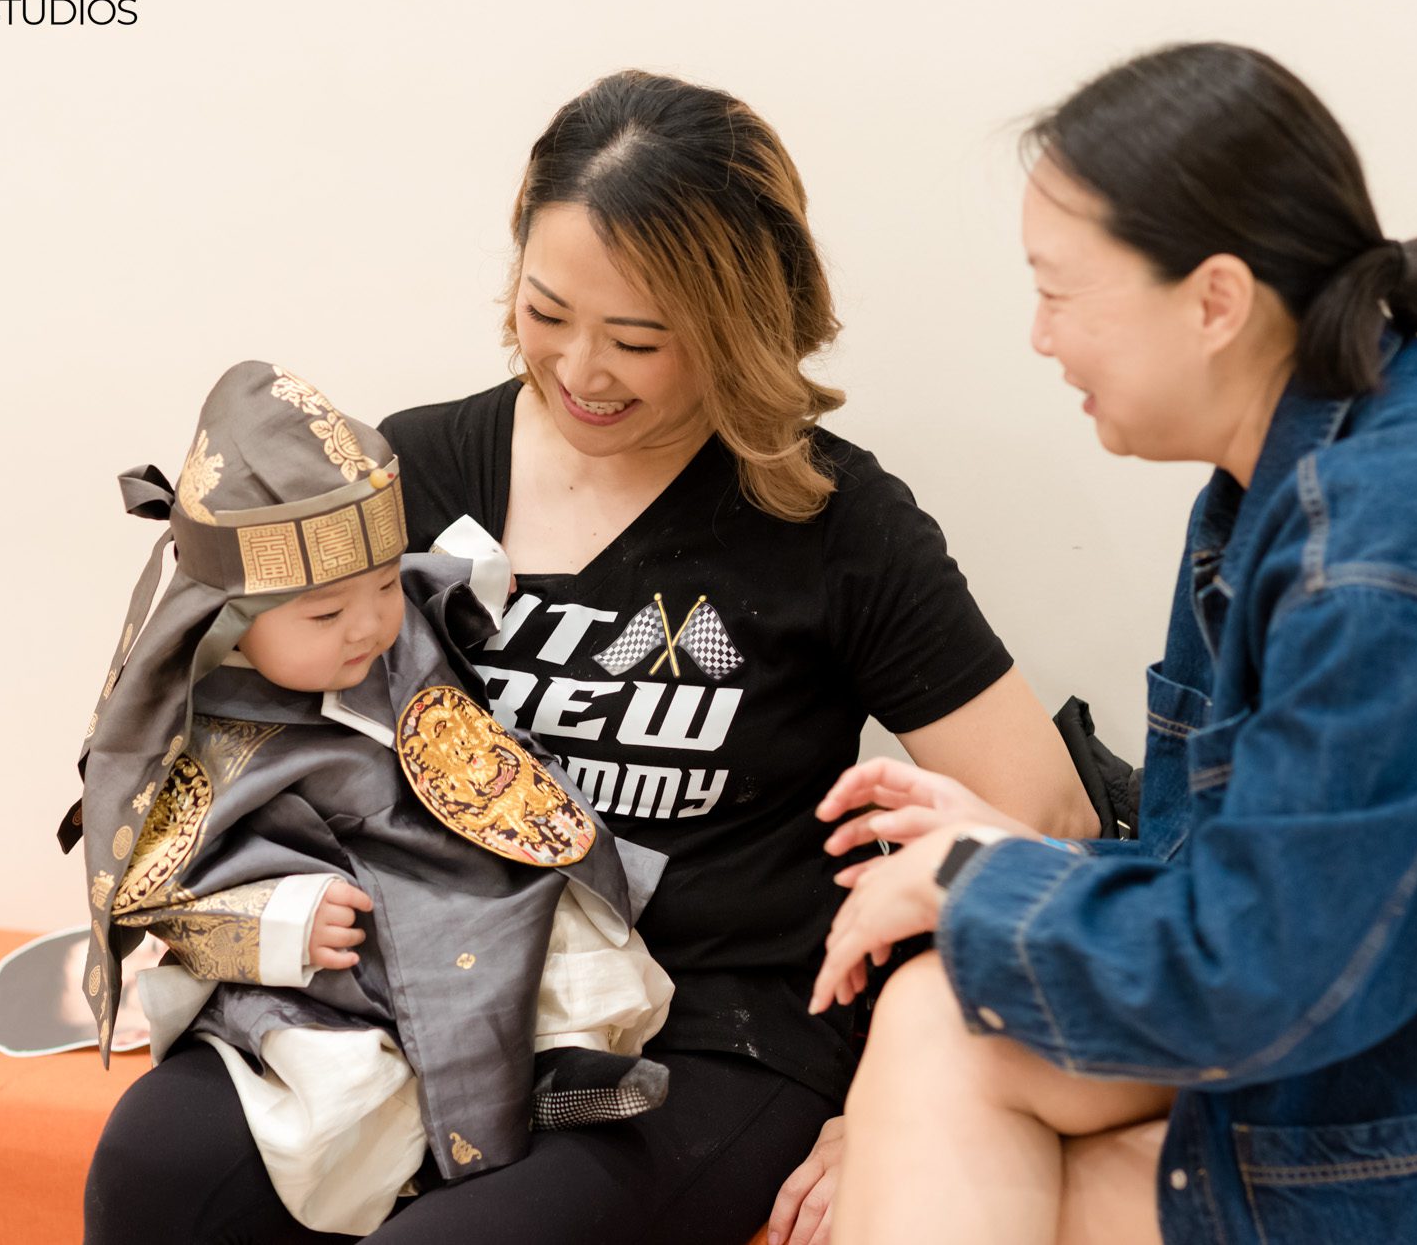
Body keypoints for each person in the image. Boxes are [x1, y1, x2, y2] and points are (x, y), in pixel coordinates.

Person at [811, 41, 1417, 1245]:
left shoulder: (1395, 544)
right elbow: (1251, 880)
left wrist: (983, 880)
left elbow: (1249, 972)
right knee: (946, 1010)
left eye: (1056, 290)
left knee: (1039, 1148)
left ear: (1212, 298)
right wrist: (1001, 856)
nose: (1039, 339)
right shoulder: (1292, 481)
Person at [365, 68, 1102, 1245]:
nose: (580, 371)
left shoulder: (826, 517)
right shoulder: (416, 467)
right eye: (546, 311)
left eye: (639, 338)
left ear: (736, 320)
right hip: (451, 986)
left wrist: (899, 1094)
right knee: (163, 1161)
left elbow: (1047, 816)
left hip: (719, 1033)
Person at [73, 361, 673, 1240]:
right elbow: (158, 883)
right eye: (325, 614)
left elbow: (437, 591)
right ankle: (459, 1106)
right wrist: (281, 918)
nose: (368, 627)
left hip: (459, 863)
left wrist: (458, 581)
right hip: (343, 958)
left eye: (383, 587)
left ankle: (558, 1072)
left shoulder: (378, 627)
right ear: (228, 618)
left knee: (553, 927)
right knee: (343, 1082)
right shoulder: (199, 735)